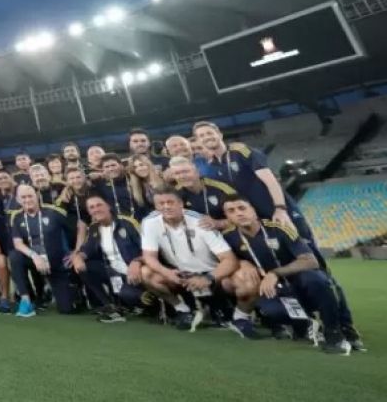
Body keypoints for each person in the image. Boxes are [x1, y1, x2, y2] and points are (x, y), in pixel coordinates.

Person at [221, 196, 361, 353]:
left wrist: (275, 273)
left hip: (299, 280)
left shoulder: (279, 228)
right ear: (227, 217)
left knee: (317, 279)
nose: (238, 213)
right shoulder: (229, 237)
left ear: (253, 210)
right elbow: (225, 263)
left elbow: (310, 261)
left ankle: (336, 331)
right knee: (271, 310)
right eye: (231, 211)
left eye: (242, 208)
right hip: (275, 289)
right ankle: (303, 324)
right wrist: (242, 263)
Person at [139, 189, 238, 332]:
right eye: (161, 203)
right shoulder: (149, 222)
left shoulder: (200, 221)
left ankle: (231, 310)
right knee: (147, 273)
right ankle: (182, 310)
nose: (166, 206)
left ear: (181, 204)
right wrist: (166, 272)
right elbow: (149, 256)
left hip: (211, 273)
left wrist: (208, 278)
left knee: (233, 280)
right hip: (180, 274)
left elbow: (229, 259)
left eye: (170, 202)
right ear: (155, 206)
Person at [192, 122, 308, 238]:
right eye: (201, 136)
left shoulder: (241, 151)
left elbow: (271, 181)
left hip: (276, 210)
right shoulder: (211, 167)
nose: (206, 137)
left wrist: (280, 209)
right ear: (199, 141)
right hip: (255, 219)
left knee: (306, 246)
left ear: (220, 134)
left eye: (209, 133)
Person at [71, 195, 145, 323]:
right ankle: (111, 307)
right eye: (92, 207)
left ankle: (150, 305)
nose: (96, 209)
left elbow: (149, 250)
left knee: (128, 295)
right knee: (84, 267)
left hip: (136, 270)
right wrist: (78, 257)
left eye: (99, 205)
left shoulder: (128, 223)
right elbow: (86, 250)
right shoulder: (94, 227)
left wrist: (137, 261)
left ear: (108, 206)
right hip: (113, 273)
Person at [8, 185, 78, 317]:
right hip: (35, 261)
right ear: (18, 200)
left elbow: (79, 227)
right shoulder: (16, 217)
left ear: (37, 196)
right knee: (15, 257)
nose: (27, 200)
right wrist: (35, 256)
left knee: (67, 309)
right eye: (23, 197)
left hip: (56, 262)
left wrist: (76, 251)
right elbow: (18, 244)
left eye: (30, 196)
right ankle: (26, 300)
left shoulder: (54, 212)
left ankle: (67, 291)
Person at [169, 156, 235, 232]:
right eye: (177, 173)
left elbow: (243, 215)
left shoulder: (221, 188)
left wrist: (217, 224)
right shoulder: (174, 195)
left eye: (186, 171)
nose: (182, 176)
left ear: (197, 172)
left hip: (228, 233)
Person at [93, 154, 145, 219]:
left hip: (142, 219)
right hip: (119, 224)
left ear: (121, 165)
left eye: (113, 165)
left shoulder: (133, 177)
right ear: (103, 169)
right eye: (107, 167)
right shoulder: (100, 185)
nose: (111, 169)